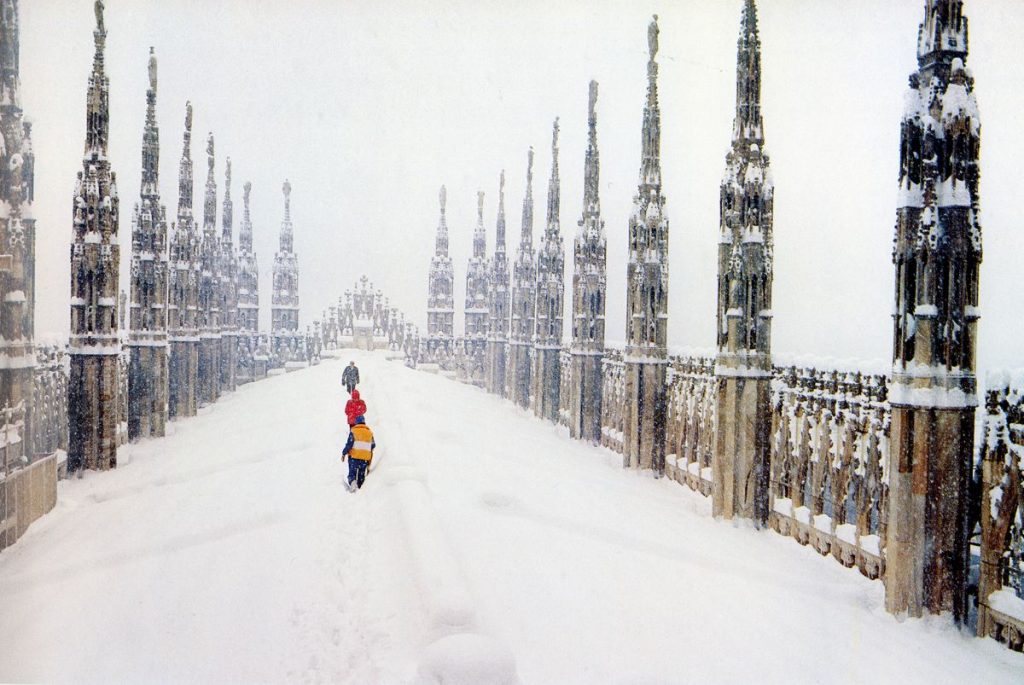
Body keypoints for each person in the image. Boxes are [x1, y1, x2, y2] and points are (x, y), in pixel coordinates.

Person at [342, 415, 375, 492]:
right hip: (364, 459)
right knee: (361, 475)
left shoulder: (354, 431)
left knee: (352, 474)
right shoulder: (369, 433)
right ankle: (360, 489)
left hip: (354, 457)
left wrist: (344, 453)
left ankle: (353, 484)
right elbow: (373, 445)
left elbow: (349, 444)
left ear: (356, 422)